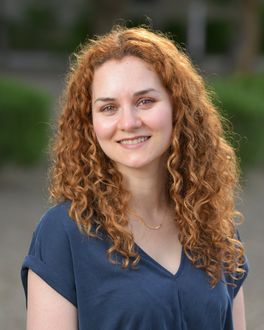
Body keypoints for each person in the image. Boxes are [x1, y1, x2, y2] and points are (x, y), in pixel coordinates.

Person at [21, 25, 249, 330]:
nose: (128, 122)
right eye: (108, 107)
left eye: (145, 101)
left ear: (177, 108)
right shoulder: (63, 233)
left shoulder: (216, 224)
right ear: (90, 124)